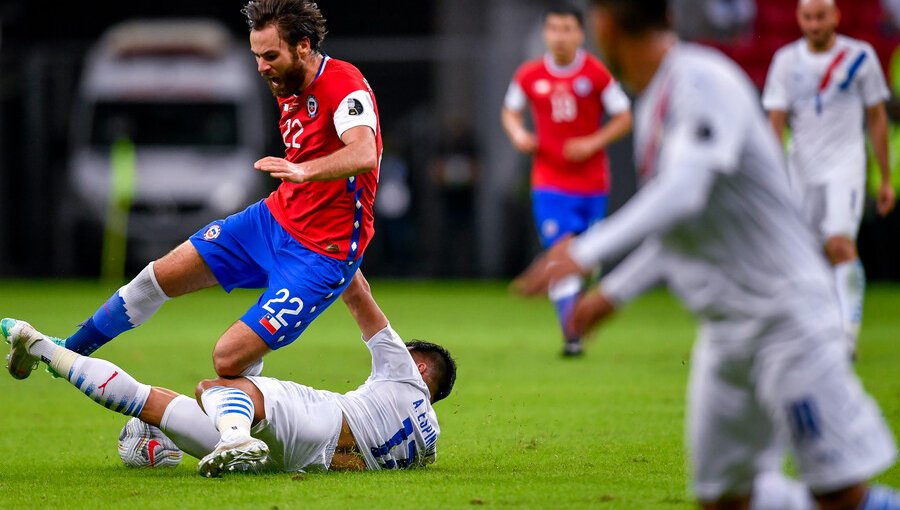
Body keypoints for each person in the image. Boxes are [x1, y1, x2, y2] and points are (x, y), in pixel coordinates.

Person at [513, 0, 899, 508]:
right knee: (722, 497)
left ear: (605, 24)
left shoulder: (700, 79)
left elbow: (684, 192)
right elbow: (682, 225)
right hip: (727, 332)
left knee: (841, 495)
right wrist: (613, 293)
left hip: (786, 318)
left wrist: (587, 250)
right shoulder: (654, 101)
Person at [4, 0, 382, 382]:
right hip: (273, 221)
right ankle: (65, 352)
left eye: (270, 55)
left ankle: (254, 427)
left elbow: (365, 153)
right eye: (256, 55)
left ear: (303, 45)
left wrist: (304, 170)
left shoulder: (342, 83)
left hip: (320, 253)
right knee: (153, 279)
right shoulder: (287, 81)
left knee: (228, 360)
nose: (262, 66)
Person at [2, 270, 457, 477]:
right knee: (151, 403)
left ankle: (236, 434)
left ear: (419, 366)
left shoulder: (404, 371)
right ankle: (39, 345)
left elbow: (358, 294)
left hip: (325, 419)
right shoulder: (429, 439)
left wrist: (332, 247)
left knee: (219, 386)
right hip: (298, 464)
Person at [762, 0, 896, 355]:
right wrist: (773, 175)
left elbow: (877, 117)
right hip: (801, 170)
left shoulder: (860, 57)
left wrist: (884, 177)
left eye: (821, 16)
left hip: (845, 166)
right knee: (803, 255)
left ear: (836, 16)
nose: (815, 24)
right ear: (799, 19)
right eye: (808, 17)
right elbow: (774, 123)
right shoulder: (786, 61)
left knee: (839, 244)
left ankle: (847, 335)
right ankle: (813, 331)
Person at [501, 3, 632, 357]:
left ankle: (577, 314)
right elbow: (510, 111)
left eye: (567, 29)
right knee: (561, 253)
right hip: (549, 184)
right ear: (545, 34)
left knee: (584, 260)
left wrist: (593, 141)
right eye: (554, 29)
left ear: (581, 34)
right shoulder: (529, 75)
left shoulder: (596, 74)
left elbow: (624, 116)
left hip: (592, 185)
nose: (560, 36)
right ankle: (572, 335)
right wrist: (517, 134)